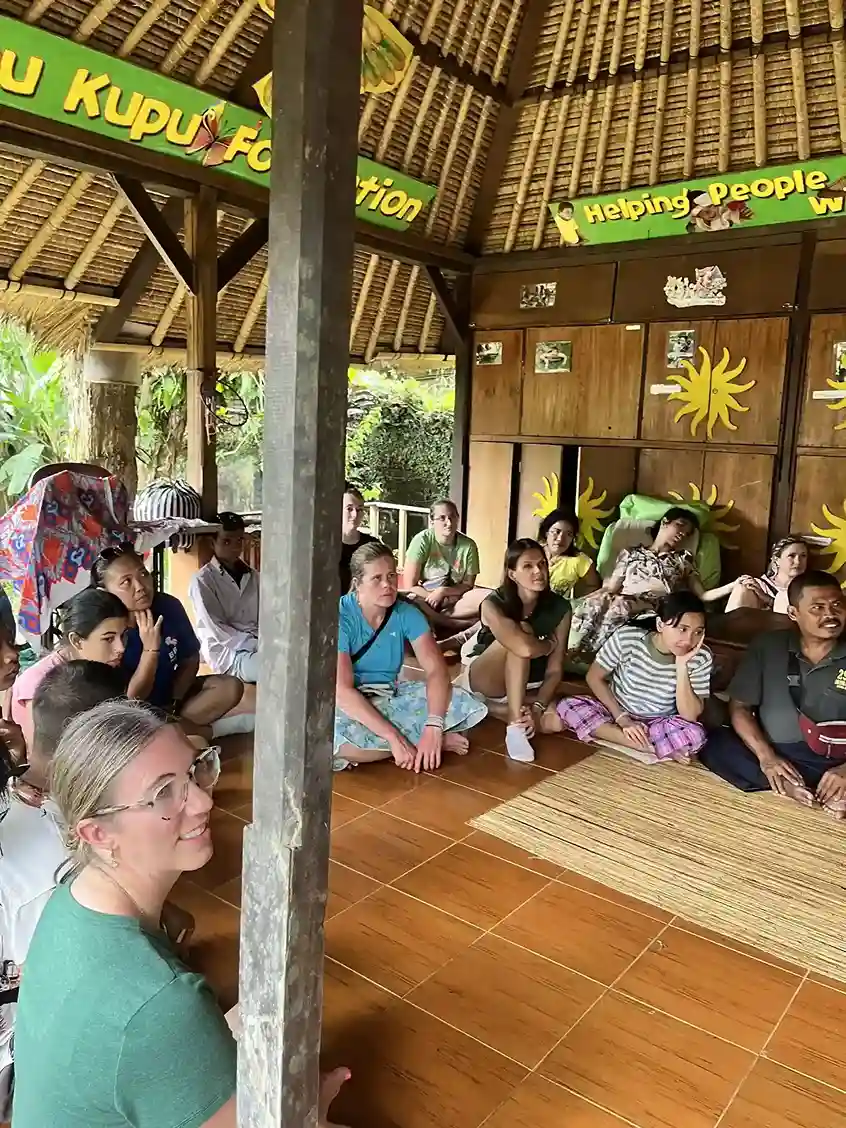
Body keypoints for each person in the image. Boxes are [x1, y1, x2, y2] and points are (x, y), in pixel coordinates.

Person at [11, 699, 349, 1127]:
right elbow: (150, 1018)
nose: (203, 802)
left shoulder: (67, 903)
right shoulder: (159, 1003)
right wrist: (307, 1108)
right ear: (98, 833)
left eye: (194, 772)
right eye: (163, 794)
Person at [699, 570, 846, 817]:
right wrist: (766, 757)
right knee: (713, 742)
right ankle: (795, 784)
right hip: (779, 751)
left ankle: (821, 786)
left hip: (836, 757)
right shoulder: (769, 646)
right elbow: (740, 707)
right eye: (817, 608)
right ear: (793, 614)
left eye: (837, 605)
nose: (830, 614)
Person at [335, 541, 486, 772]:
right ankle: (421, 743)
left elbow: (436, 670)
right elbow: (343, 691)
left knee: (461, 700)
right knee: (329, 741)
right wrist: (394, 738)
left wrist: (434, 725)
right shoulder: (341, 617)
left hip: (387, 695)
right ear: (357, 584)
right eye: (377, 578)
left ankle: (422, 740)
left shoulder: (406, 613)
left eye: (392, 575)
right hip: (346, 703)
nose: (388, 585)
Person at [91, 546, 243, 728]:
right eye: (126, 582)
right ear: (105, 591)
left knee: (229, 688)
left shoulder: (168, 606)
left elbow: (190, 657)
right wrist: (150, 650)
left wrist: (174, 700)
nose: (140, 587)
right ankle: (188, 731)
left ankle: (172, 728)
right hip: (129, 712)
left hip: (170, 700)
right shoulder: (104, 628)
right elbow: (131, 699)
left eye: (143, 574)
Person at [558, 591, 712, 763]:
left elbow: (690, 716)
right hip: (615, 711)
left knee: (695, 734)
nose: (689, 640)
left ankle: (631, 740)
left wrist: (682, 665)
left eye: (698, 632)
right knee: (568, 706)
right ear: (660, 624)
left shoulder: (701, 657)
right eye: (682, 629)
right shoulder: (629, 637)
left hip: (660, 722)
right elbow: (594, 677)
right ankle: (655, 747)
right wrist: (622, 719)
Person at [459, 539, 570, 763]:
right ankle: (514, 725)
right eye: (528, 566)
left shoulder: (560, 607)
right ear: (512, 574)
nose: (538, 571)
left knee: (556, 722)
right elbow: (523, 648)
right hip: (489, 678)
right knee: (522, 632)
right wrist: (548, 645)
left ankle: (485, 707)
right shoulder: (492, 603)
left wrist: (538, 708)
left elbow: (555, 670)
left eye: (542, 564)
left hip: (529, 685)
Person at [10, 589, 134, 750]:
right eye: (109, 639)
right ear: (77, 641)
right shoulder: (40, 684)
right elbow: (42, 756)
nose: (121, 647)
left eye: (123, 635)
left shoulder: (99, 669)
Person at [573, 506, 705, 656]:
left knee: (621, 604)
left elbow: (703, 595)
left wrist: (734, 586)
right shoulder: (630, 553)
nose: (682, 534)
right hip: (625, 598)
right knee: (596, 603)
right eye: (680, 525)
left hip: (656, 604)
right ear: (665, 522)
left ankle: (594, 654)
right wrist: (582, 600)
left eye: (687, 534)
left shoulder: (682, 559)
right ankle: (578, 649)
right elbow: (611, 588)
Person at [189, 513, 260, 683]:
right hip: (227, 654)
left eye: (239, 541)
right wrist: (258, 645)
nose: (235, 547)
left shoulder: (254, 577)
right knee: (275, 668)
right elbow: (218, 630)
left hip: (257, 645)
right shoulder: (203, 580)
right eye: (227, 541)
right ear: (213, 543)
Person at [402, 499, 487, 629]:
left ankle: (436, 620)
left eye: (452, 516)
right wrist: (433, 596)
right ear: (432, 521)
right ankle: (449, 623)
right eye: (442, 518)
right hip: (425, 598)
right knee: (407, 599)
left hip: (454, 599)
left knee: (488, 599)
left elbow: (468, 585)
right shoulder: (421, 540)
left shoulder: (468, 545)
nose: (449, 523)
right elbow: (409, 585)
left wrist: (443, 592)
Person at [705, 536, 809, 614]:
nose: (798, 561)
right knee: (743, 589)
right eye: (791, 556)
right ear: (777, 560)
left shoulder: (810, 589)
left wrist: (768, 599)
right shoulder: (757, 585)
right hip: (754, 637)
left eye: (803, 556)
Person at [538, 509, 600, 599]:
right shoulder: (532, 552)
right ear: (546, 532)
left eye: (568, 534)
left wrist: (578, 604)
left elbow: (593, 585)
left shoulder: (578, 560)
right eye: (556, 532)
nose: (560, 539)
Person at [339, 484, 378, 595]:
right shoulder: (326, 545)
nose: (355, 514)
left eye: (359, 509)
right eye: (349, 509)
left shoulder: (372, 545)